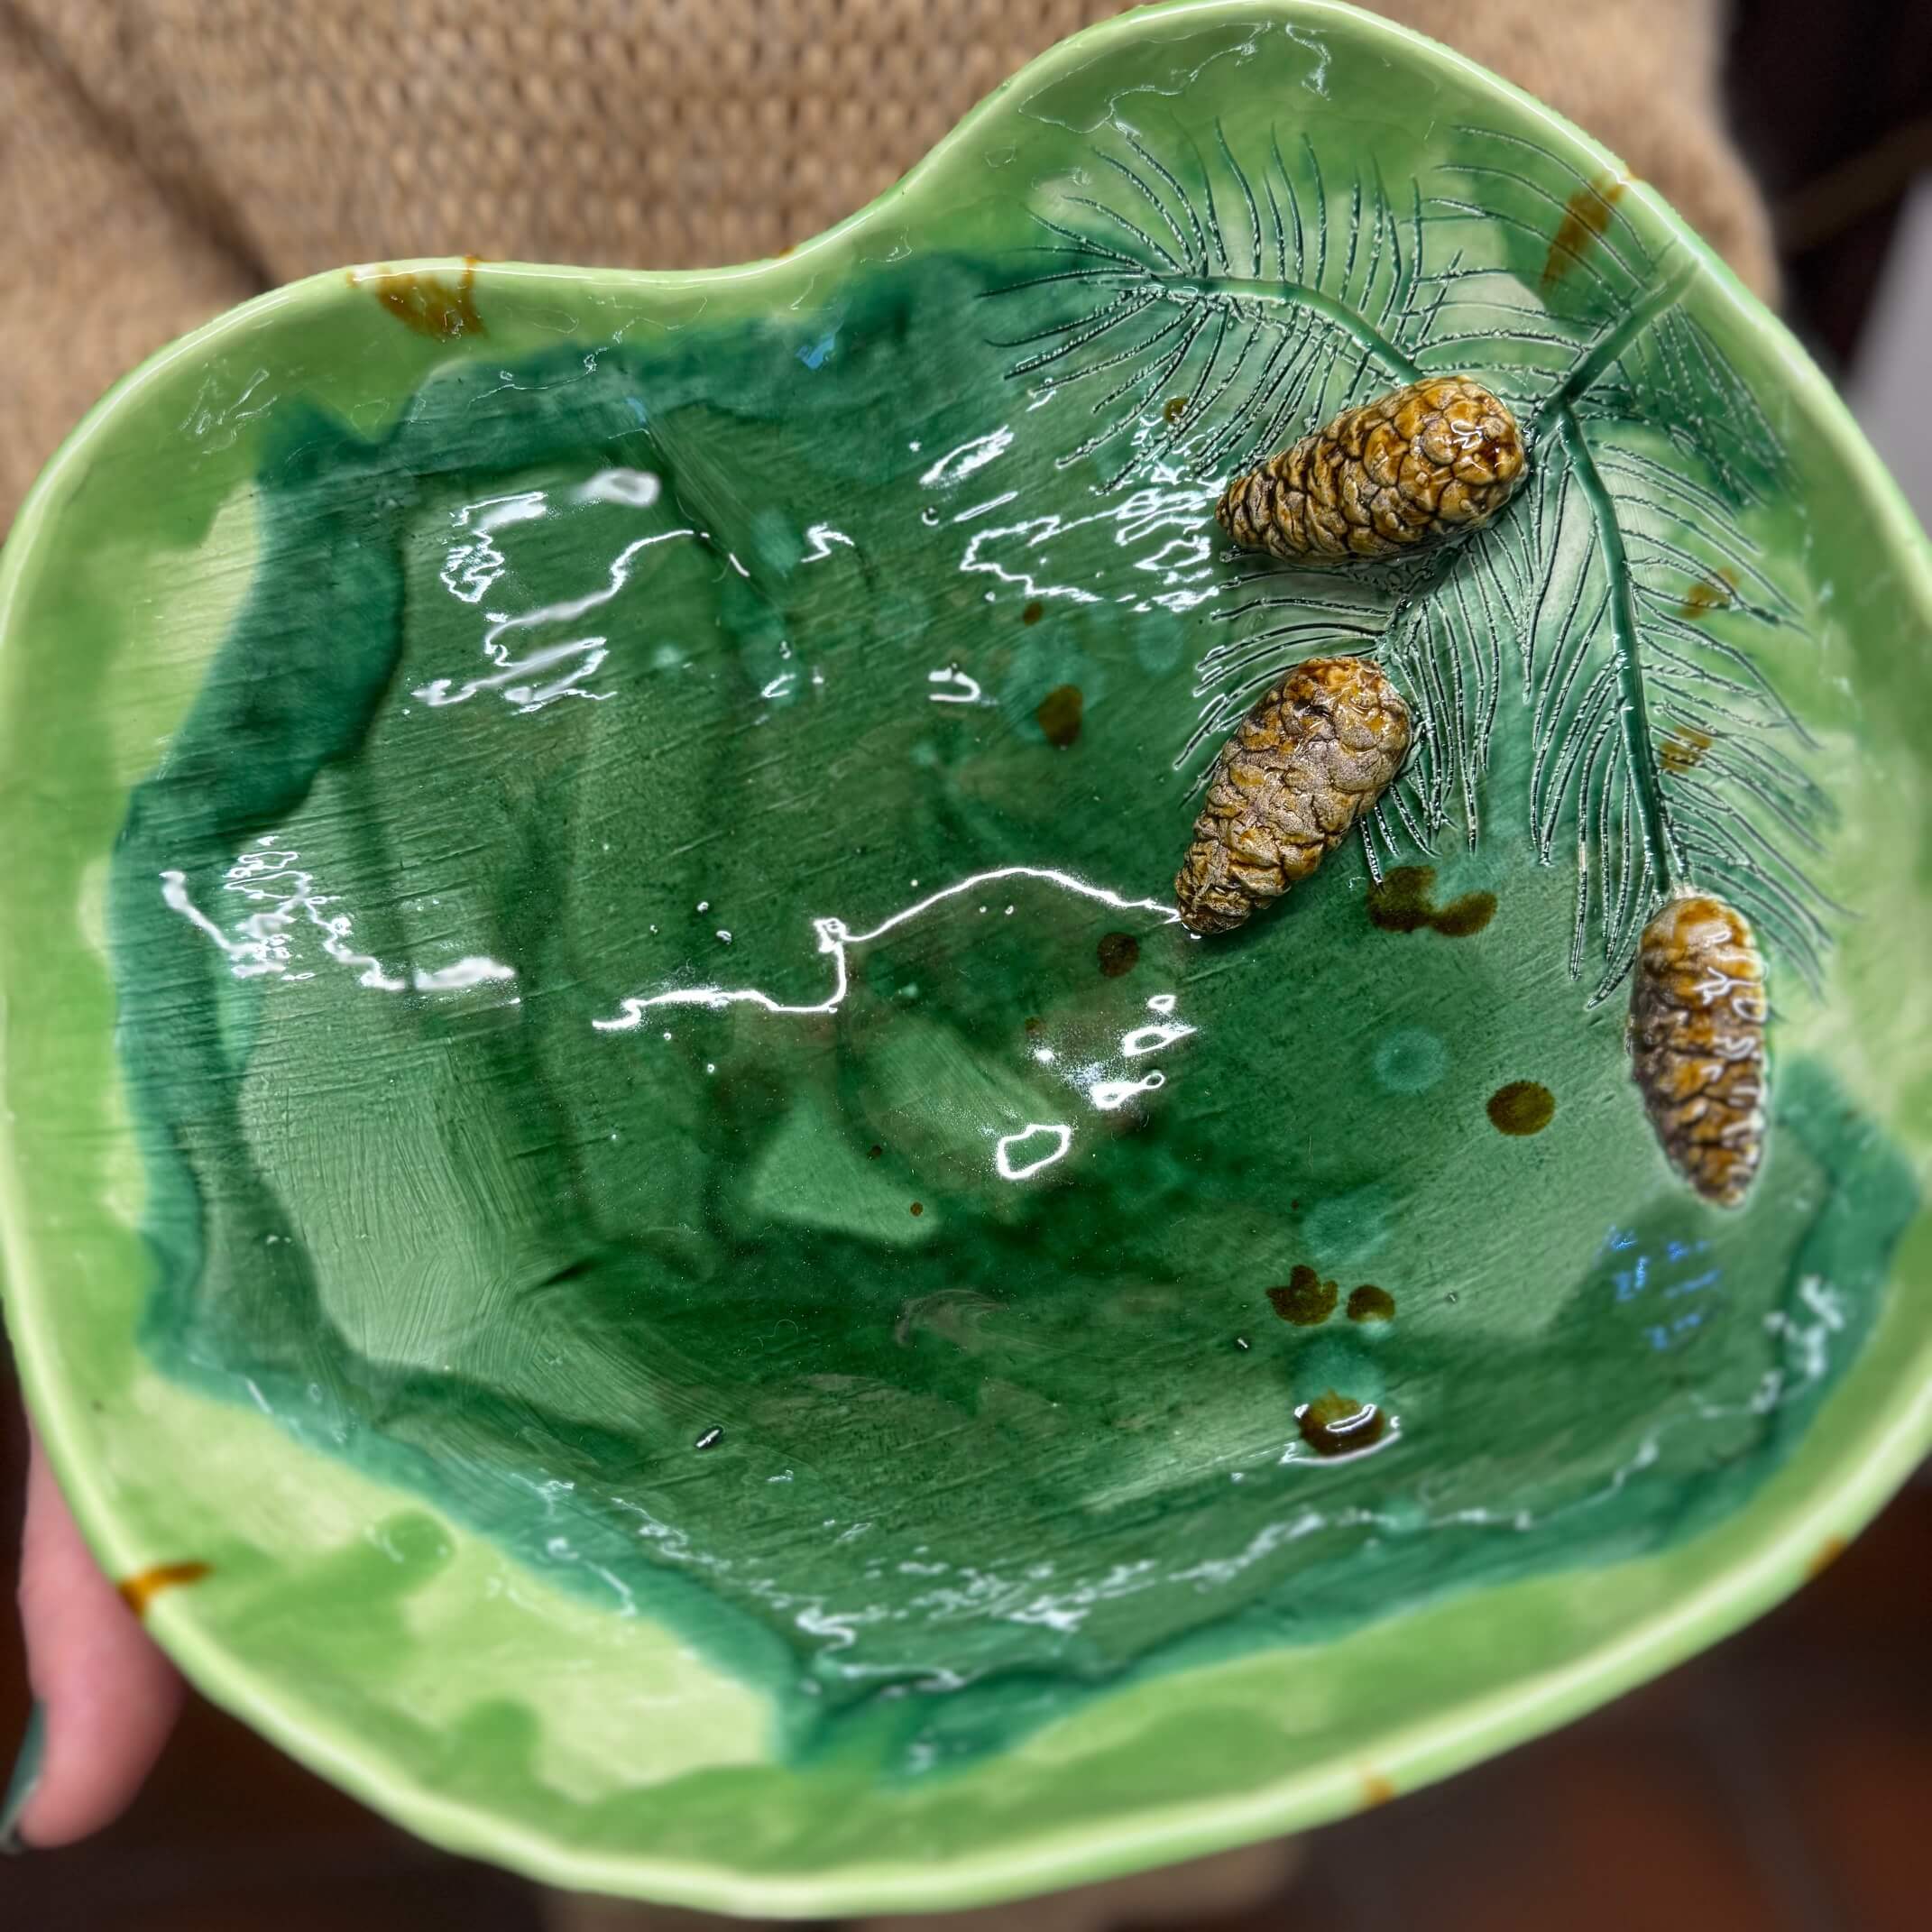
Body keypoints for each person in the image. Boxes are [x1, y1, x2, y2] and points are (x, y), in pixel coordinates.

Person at [1, 0, 1775, 1899]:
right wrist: (155, 585)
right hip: (483, 835)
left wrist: (1532, 311)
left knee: (1140, 1772)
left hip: (1268, 693)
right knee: (697, 1791)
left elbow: (1573, 219)